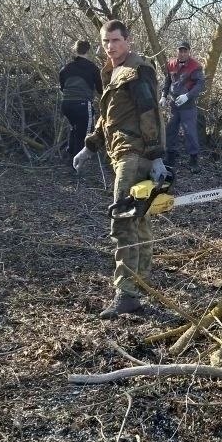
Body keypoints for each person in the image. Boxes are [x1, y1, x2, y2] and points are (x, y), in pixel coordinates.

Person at [72, 20, 167, 318]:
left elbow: (149, 112)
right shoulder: (112, 72)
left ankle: (126, 293)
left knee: (123, 221)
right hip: (120, 153)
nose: (110, 46)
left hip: (133, 154)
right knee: (138, 221)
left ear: (128, 40)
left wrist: (156, 157)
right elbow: (108, 118)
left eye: (115, 40)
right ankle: (138, 286)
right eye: (105, 41)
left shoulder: (138, 70)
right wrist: (90, 146)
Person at [161, 41, 205, 171]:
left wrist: (188, 96)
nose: (182, 53)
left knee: (190, 132)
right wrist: (163, 95)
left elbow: (200, 85)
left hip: (188, 106)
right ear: (177, 51)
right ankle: (170, 157)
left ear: (189, 52)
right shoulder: (171, 64)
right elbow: (168, 80)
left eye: (185, 51)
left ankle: (194, 161)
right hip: (174, 105)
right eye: (180, 51)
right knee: (171, 130)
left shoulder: (195, 66)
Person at [58, 39, 103, 163]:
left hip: (66, 105)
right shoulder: (92, 68)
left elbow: (62, 87)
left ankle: (70, 156)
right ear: (88, 51)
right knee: (85, 134)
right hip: (82, 105)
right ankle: (77, 165)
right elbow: (100, 90)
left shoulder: (66, 68)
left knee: (74, 129)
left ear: (75, 50)